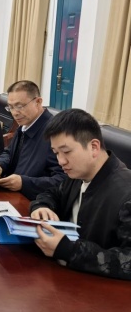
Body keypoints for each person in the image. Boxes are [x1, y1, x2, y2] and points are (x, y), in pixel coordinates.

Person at [30, 109, 131, 280]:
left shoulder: (126, 194)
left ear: (94, 147)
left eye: (66, 151)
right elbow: (53, 193)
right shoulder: (78, 174)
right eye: (56, 153)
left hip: (95, 289)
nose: (61, 161)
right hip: (61, 276)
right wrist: (42, 206)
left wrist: (69, 250)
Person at [0, 81, 65, 200]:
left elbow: (63, 181)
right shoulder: (25, 124)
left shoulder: (55, 133)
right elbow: (10, 152)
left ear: (38, 102)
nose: (15, 113)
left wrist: (24, 183)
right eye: (10, 107)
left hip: (34, 201)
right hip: (12, 193)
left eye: (19, 106)